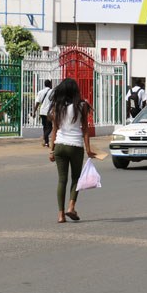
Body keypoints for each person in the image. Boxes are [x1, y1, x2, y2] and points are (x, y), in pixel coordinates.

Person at [48, 78, 96, 224]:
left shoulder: (57, 107)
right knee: (76, 179)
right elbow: (85, 130)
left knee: (62, 180)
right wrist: (88, 150)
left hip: (60, 146)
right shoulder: (82, 106)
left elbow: (54, 130)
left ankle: (61, 215)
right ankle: (71, 207)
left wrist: (51, 150)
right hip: (75, 146)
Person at [32, 79, 53, 147]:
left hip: (42, 111)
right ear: (50, 84)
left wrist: (34, 112)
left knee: (45, 127)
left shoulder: (40, 92)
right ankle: (45, 137)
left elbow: (37, 103)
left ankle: (46, 143)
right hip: (49, 112)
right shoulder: (52, 91)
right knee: (50, 127)